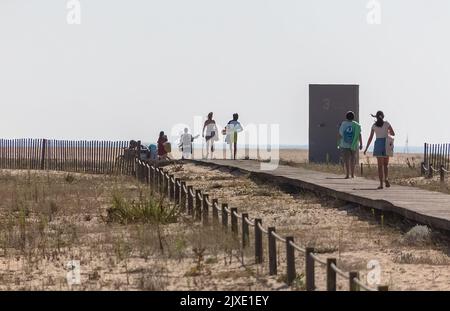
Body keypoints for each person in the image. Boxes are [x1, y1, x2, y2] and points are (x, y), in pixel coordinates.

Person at [364, 111, 396, 189]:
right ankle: (386, 178)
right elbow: (393, 133)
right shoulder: (386, 123)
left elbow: (370, 138)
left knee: (380, 166)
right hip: (386, 144)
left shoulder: (374, 125)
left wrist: (366, 148)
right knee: (386, 165)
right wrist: (388, 132)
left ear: (376, 117)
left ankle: (381, 184)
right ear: (383, 116)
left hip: (378, 144)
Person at [338, 111, 363, 179]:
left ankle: (347, 175)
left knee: (346, 160)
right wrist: (361, 144)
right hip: (354, 145)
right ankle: (352, 174)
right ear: (353, 117)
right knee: (353, 160)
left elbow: (340, 134)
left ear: (346, 117)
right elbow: (359, 134)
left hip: (345, 144)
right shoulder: (357, 125)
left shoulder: (343, 124)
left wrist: (338, 143)